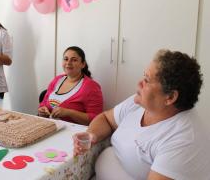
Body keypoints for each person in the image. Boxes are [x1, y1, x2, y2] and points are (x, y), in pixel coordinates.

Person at [73, 49, 210, 180]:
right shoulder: (141, 103)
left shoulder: (183, 139)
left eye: (147, 80)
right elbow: (106, 118)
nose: (139, 83)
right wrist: (92, 135)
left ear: (170, 97)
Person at [38, 46, 103, 125]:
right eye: (66, 59)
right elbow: (43, 103)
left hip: (72, 132)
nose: (68, 63)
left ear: (83, 64)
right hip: (49, 126)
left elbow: (96, 119)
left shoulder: (91, 87)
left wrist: (69, 112)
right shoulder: (57, 80)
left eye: (74, 60)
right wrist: (42, 110)